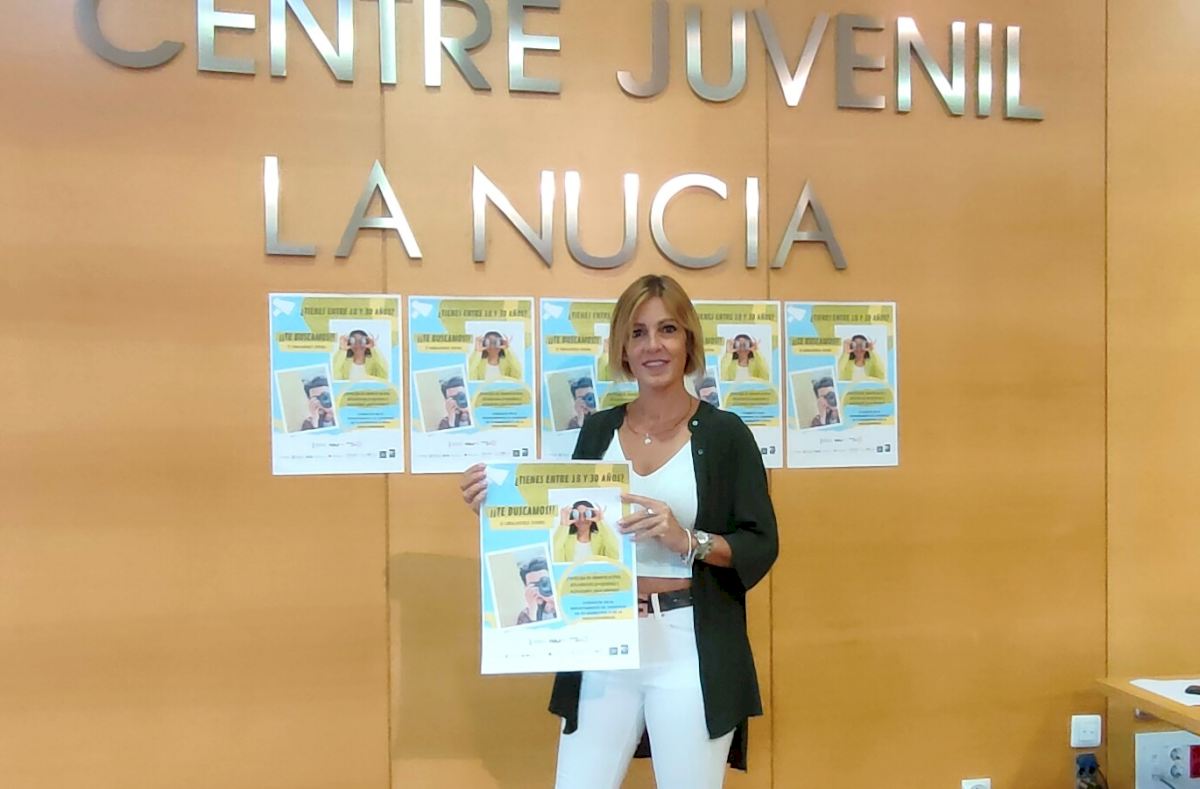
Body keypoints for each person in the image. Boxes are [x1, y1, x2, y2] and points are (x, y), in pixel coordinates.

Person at [460, 274, 778, 789]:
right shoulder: (597, 430)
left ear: (688, 341)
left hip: (688, 644)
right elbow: (566, 530)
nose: (653, 345)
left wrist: (687, 540)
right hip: (601, 638)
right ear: (623, 349)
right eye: (638, 333)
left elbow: (760, 543)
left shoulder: (726, 435)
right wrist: (500, 514)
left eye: (667, 330)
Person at [552, 500, 620, 563]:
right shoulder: (565, 540)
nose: (582, 519)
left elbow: (614, 555)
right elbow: (554, 555)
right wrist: (563, 525)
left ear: (592, 516)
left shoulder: (602, 539)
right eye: (577, 515)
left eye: (586, 514)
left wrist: (601, 522)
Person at [515, 557, 558, 625]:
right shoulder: (524, 615)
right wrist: (532, 612)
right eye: (533, 585)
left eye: (544, 583)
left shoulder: (564, 602)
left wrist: (555, 603)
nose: (539, 588)